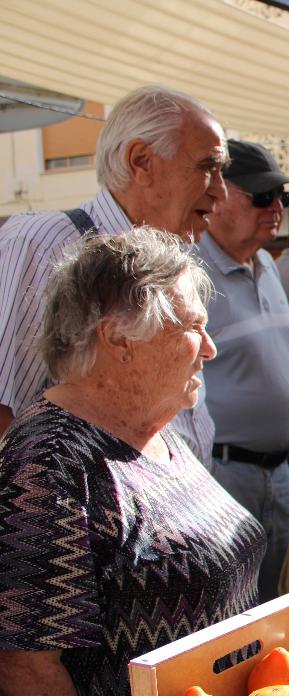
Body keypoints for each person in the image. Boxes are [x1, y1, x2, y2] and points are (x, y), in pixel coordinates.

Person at [0, 228, 264, 696]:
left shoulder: (157, 431)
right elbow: (25, 670)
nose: (210, 348)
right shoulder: (48, 461)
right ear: (119, 339)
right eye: (193, 327)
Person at [0, 85, 226, 462]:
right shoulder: (42, 243)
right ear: (140, 161)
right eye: (208, 167)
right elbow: (5, 414)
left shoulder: (174, 263)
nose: (221, 192)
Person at [198, 139, 289, 602]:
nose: (276, 207)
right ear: (219, 192)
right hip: (225, 473)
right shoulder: (190, 270)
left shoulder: (266, 264)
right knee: (230, 610)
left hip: (279, 476)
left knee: (278, 609)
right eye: (263, 196)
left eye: (284, 196)